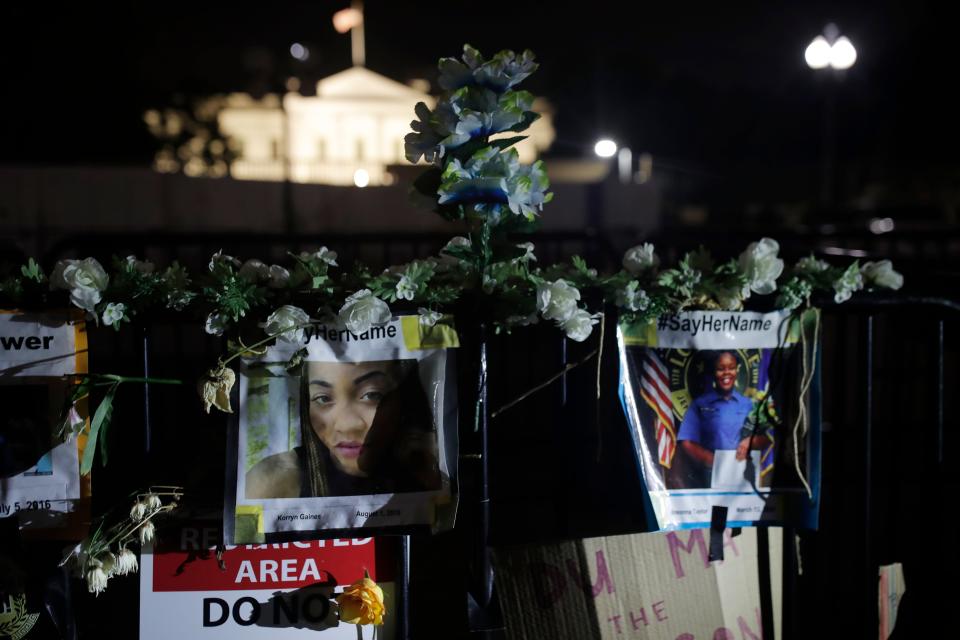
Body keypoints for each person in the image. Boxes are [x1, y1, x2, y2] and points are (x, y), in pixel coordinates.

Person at [245, 359, 440, 499]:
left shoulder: (428, 467)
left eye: (371, 395)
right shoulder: (274, 481)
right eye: (323, 398)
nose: (347, 425)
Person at [677, 351, 769, 476]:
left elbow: (766, 438)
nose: (727, 373)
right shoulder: (699, 404)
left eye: (731, 368)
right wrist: (713, 462)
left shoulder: (748, 405)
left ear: (737, 371)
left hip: (743, 473)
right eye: (720, 369)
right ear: (713, 372)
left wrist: (751, 442)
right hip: (709, 473)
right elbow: (686, 442)